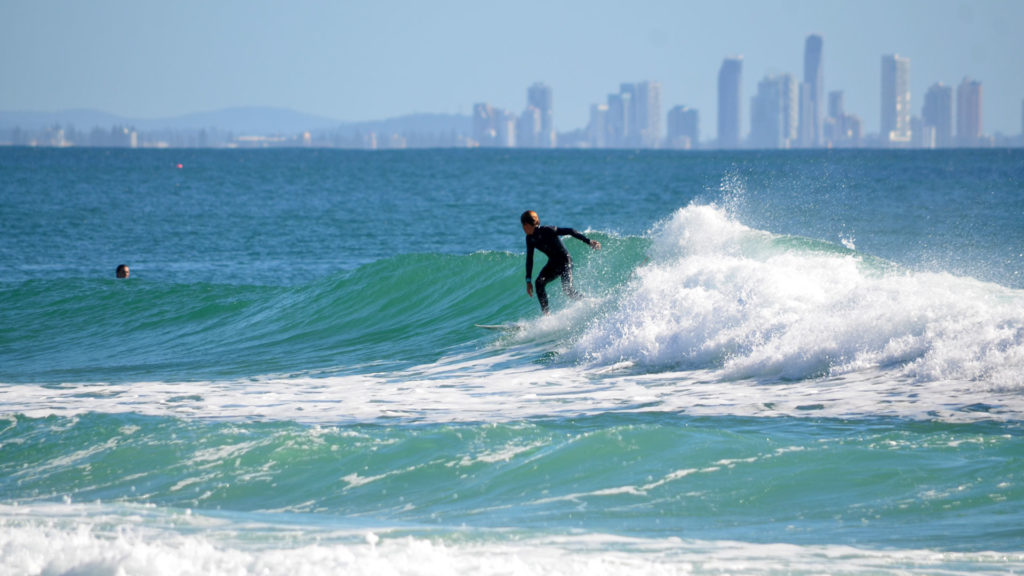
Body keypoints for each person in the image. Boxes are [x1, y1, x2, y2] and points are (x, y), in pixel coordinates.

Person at [521, 210, 601, 314]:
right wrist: (528, 280)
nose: (522, 228)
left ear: (526, 225)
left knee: (567, 289)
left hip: (565, 261)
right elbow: (529, 259)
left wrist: (589, 242)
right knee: (539, 283)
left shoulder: (547, 230)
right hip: (553, 264)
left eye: (522, 225)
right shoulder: (529, 239)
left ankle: (589, 302)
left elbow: (570, 231)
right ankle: (547, 315)